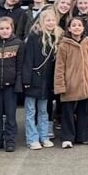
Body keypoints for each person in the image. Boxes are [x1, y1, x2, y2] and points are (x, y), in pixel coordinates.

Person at [55, 17, 88, 149]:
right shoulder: (64, 46)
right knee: (67, 113)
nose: (76, 27)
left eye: (79, 25)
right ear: (69, 28)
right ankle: (67, 137)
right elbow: (59, 68)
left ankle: (85, 136)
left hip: (86, 85)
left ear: (83, 28)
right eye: (73, 25)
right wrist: (60, 86)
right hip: (69, 86)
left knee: (85, 112)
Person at [20, 9, 60, 149]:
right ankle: (32, 139)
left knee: (44, 111)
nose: (50, 23)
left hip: (46, 81)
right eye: (47, 20)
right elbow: (28, 59)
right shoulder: (33, 37)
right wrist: (26, 80)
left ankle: (44, 137)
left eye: (53, 20)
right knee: (31, 111)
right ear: (41, 22)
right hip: (33, 79)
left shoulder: (56, 37)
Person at [0, 17, 23, 152]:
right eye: (1, 28)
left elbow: (20, 67)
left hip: (11, 86)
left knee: (10, 115)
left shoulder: (18, 43)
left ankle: (10, 141)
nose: (4, 31)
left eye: (7, 28)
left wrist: (19, 84)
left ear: (12, 28)